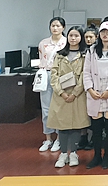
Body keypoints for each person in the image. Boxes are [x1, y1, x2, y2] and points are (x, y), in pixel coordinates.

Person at [47, 26, 90, 168]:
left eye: (76, 36)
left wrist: (74, 93)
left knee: (76, 125)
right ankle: (63, 153)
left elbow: (85, 75)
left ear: (81, 38)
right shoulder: (60, 55)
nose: (73, 38)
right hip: (61, 96)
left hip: (77, 96)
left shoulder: (85, 55)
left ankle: (74, 153)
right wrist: (62, 93)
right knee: (63, 125)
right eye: (71, 35)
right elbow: (54, 75)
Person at [83, 21, 108, 170]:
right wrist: (90, 89)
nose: (105, 35)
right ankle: (97, 155)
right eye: (103, 32)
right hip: (95, 91)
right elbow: (86, 72)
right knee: (97, 128)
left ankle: (107, 156)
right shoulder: (91, 51)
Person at [38, 17, 67, 153]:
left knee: (60, 108)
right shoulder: (43, 43)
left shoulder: (66, 42)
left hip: (61, 76)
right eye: (53, 25)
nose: (55, 28)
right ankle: (48, 138)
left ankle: (59, 139)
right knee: (46, 108)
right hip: (46, 75)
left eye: (58, 26)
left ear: (63, 27)